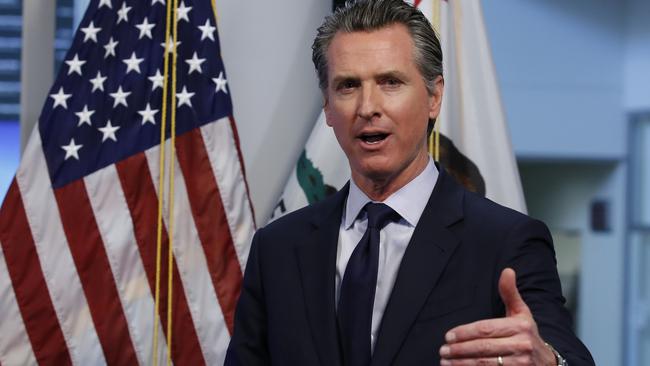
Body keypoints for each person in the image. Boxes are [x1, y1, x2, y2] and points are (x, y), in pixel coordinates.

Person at [225, 0, 594, 365]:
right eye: (348, 85)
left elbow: (570, 358)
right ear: (327, 106)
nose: (367, 106)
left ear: (434, 97)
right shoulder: (277, 249)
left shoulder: (506, 242)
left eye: (390, 82)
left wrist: (548, 361)